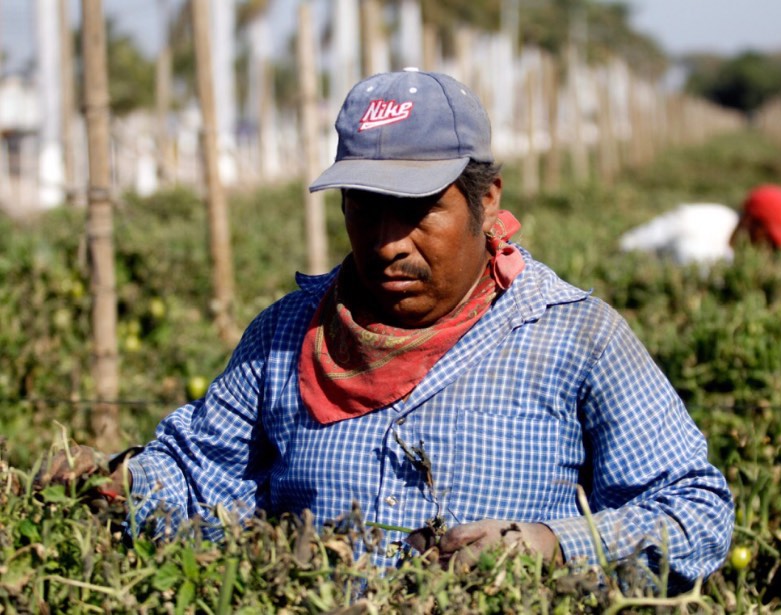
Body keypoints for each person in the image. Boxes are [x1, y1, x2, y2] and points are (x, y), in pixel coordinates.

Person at [42, 69, 733, 587]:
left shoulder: (574, 337)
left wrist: (550, 544)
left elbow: (697, 512)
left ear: (485, 199)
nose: (386, 240)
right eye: (364, 208)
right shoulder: (286, 336)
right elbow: (196, 479)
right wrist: (117, 479)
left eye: (417, 209)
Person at [618, 184, 781, 267]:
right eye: (770, 239)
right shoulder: (695, 222)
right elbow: (629, 245)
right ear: (751, 223)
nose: (770, 250)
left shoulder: (741, 256)